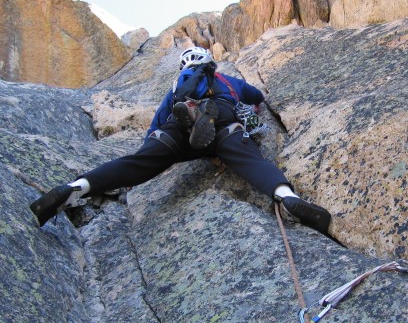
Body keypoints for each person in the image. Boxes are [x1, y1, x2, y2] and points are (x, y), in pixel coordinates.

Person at [30, 47, 331, 233]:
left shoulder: (176, 86)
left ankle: (75, 188)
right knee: (248, 159)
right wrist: (252, 107)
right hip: (225, 122)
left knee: (141, 162)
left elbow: (158, 121)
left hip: (174, 130)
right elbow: (257, 96)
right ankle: (288, 198)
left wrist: (150, 146)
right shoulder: (226, 79)